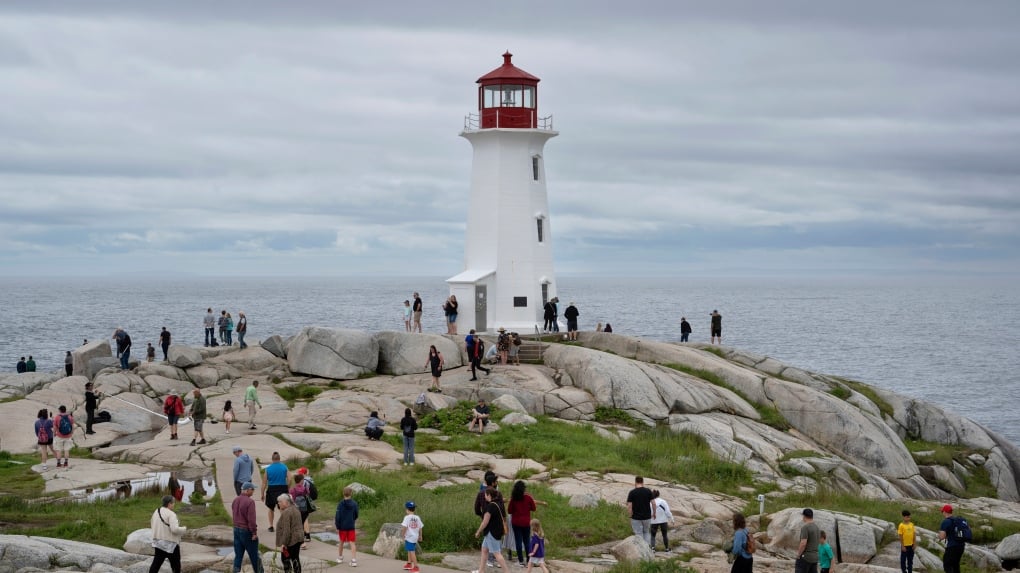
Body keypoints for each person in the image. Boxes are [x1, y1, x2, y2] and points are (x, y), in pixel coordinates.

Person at [508, 480, 547, 566]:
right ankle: (529, 560)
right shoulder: (528, 498)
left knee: (518, 541)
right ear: (523, 489)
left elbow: (509, 511)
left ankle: (521, 561)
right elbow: (534, 508)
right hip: (526, 523)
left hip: (516, 522)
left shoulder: (513, 499)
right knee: (527, 541)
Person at [474, 487, 509, 573]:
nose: (484, 496)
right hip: (495, 532)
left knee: (497, 553)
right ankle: (481, 570)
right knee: (484, 550)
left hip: (491, 533)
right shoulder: (498, 504)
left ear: (489, 495)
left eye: (485, 494)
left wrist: (478, 531)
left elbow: (485, 522)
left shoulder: (490, 506)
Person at [149, 495, 186, 573]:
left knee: (156, 564)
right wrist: (184, 529)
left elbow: (152, 523)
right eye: (173, 503)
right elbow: (174, 529)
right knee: (176, 565)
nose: (174, 504)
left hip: (158, 542)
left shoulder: (157, 511)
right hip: (171, 544)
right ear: (169, 504)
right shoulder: (171, 514)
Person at [232, 481, 263, 573]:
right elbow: (251, 520)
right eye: (252, 489)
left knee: (238, 556)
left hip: (236, 529)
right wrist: (254, 532)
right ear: (248, 490)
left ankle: (235, 571)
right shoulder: (250, 502)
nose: (253, 491)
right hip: (246, 531)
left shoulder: (235, 500)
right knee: (254, 556)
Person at [275, 493, 304, 573]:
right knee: (295, 558)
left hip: (292, 540)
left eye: (280, 501)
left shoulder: (287, 512)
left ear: (285, 502)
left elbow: (286, 530)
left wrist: (284, 544)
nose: (278, 503)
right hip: (298, 538)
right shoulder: (295, 508)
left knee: (285, 559)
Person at [262, 452, 290, 532]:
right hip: (282, 488)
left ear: (272, 459)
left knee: (271, 508)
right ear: (279, 459)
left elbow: (264, 483)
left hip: (271, 489)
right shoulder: (284, 467)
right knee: (283, 508)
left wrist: (262, 494)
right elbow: (290, 478)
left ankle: (271, 526)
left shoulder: (268, 469)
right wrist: (287, 487)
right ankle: (284, 526)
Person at [626, 476, 655, 548]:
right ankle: (648, 548)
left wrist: (630, 515)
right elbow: (653, 503)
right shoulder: (648, 491)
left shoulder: (632, 492)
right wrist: (654, 513)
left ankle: (641, 549)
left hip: (636, 517)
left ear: (635, 482)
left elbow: (629, 505)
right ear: (642, 482)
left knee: (638, 533)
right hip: (647, 517)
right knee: (646, 532)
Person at [335, 486, 360, 566]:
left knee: (341, 542)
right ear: (351, 493)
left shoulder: (340, 504)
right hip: (351, 526)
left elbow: (337, 516)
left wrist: (337, 526)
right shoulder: (354, 504)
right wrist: (352, 520)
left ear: (343, 494)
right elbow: (356, 514)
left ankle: (340, 557)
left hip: (342, 527)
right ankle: (354, 560)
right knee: (352, 543)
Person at [939, 504, 966, 573]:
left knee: (947, 565)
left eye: (942, 511)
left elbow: (942, 537)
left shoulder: (946, 521)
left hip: (952, 547)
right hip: (961, 546)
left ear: (945, 512)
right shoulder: (957, 520)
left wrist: (939, 535)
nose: (942, 513)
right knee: (956, 565)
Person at [289, 474, 313, 548]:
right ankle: (301, 541)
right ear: (301, 480)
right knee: (301, 525)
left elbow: (291, 499)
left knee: (296, 526)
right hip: (304, 510)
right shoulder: (304, 488)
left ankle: (297, 541)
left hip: (296, 510)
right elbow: (308, 494)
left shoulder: (293, 489)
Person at [401, 501, 423, 573]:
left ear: (407, 509)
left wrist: (402, 535)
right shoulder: (417, 517)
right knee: (409, 550)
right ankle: (409, 563)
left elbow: (404, 527)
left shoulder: (406, 517)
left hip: (409, 537)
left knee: (412, 551)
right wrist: (420, 535)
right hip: (414, 537)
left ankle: (416, 567)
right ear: (414, 509)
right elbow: (420, 527)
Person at [796, 508, 820, 573]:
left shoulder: (805, 527)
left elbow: (803, 543)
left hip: (805, 558)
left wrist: (798, 555)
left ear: (804, 516)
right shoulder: (817, 527)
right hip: (815, 558)